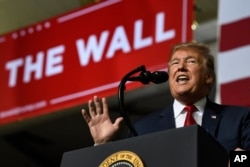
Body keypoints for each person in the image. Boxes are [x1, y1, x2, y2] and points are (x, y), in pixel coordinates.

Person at [81, 42, 250, 152]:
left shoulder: (239, 119)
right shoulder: (143, 129)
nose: (181, 67)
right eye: (175, 63)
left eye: (190, 61)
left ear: (208, 77)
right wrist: (102, 146)